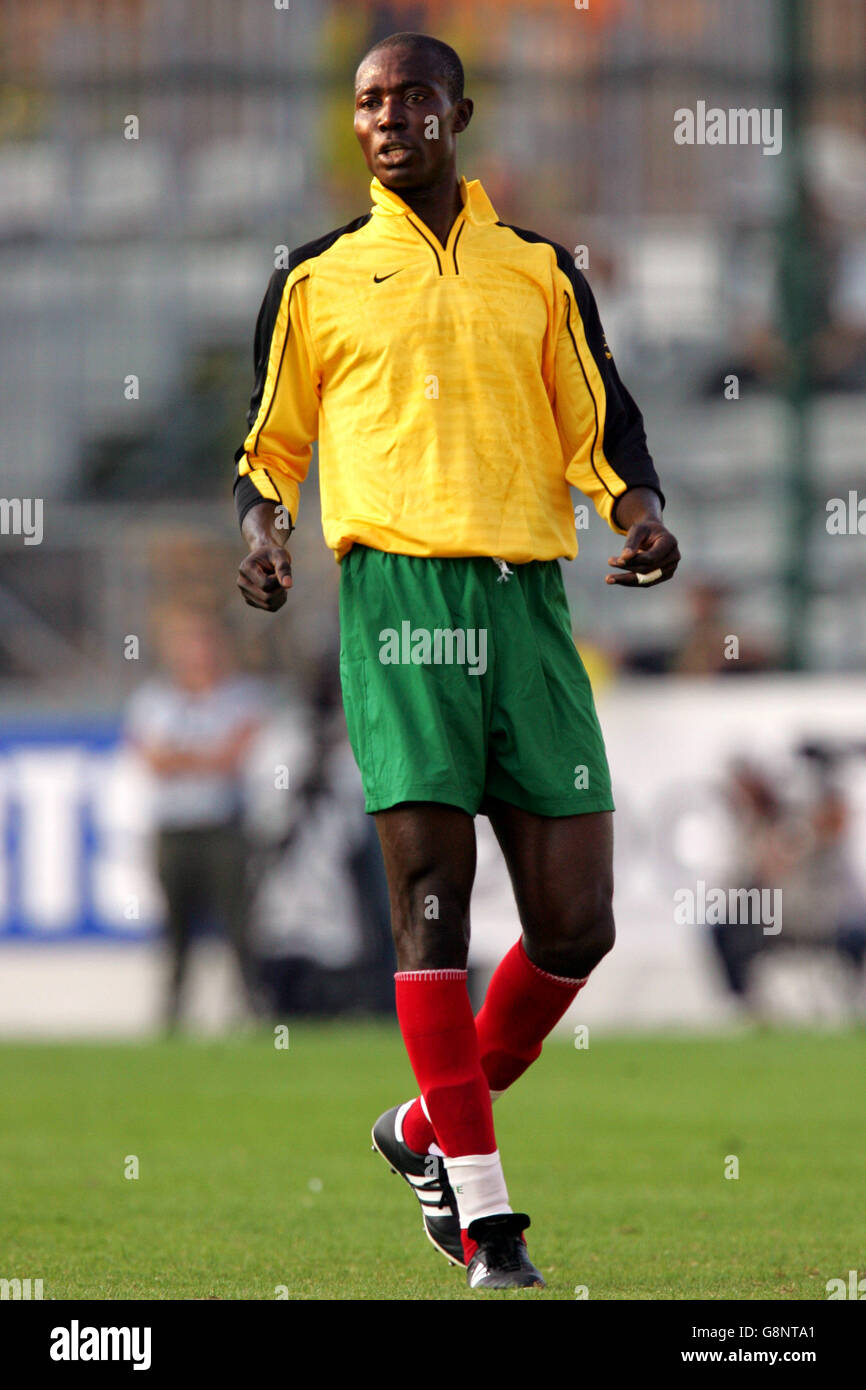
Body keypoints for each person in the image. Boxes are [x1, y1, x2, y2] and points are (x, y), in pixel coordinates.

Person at [234, 32, 679, 1290]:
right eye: (368, 101)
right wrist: (264, 539)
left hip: (525, 605)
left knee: (576, 924)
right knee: (430, 906)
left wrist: (638, 515)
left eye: (410, 97)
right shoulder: (316, 278)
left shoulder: (536, 268)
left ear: (457, 113)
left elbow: (604, 421)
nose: (387, 117)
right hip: (396, 604)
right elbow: (267, 449)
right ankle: (490, 1229)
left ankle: (422, 1125)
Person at [125, 606, 267, 1029]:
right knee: (175, 928)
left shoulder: (243, 695)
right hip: (174, 830)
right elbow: (152, 760)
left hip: (223, 828)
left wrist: (182, 756)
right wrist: (204, 756)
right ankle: (173, 1012)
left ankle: (252, 1008)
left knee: (240, 923)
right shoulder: (153, 699)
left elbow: (233, 757)